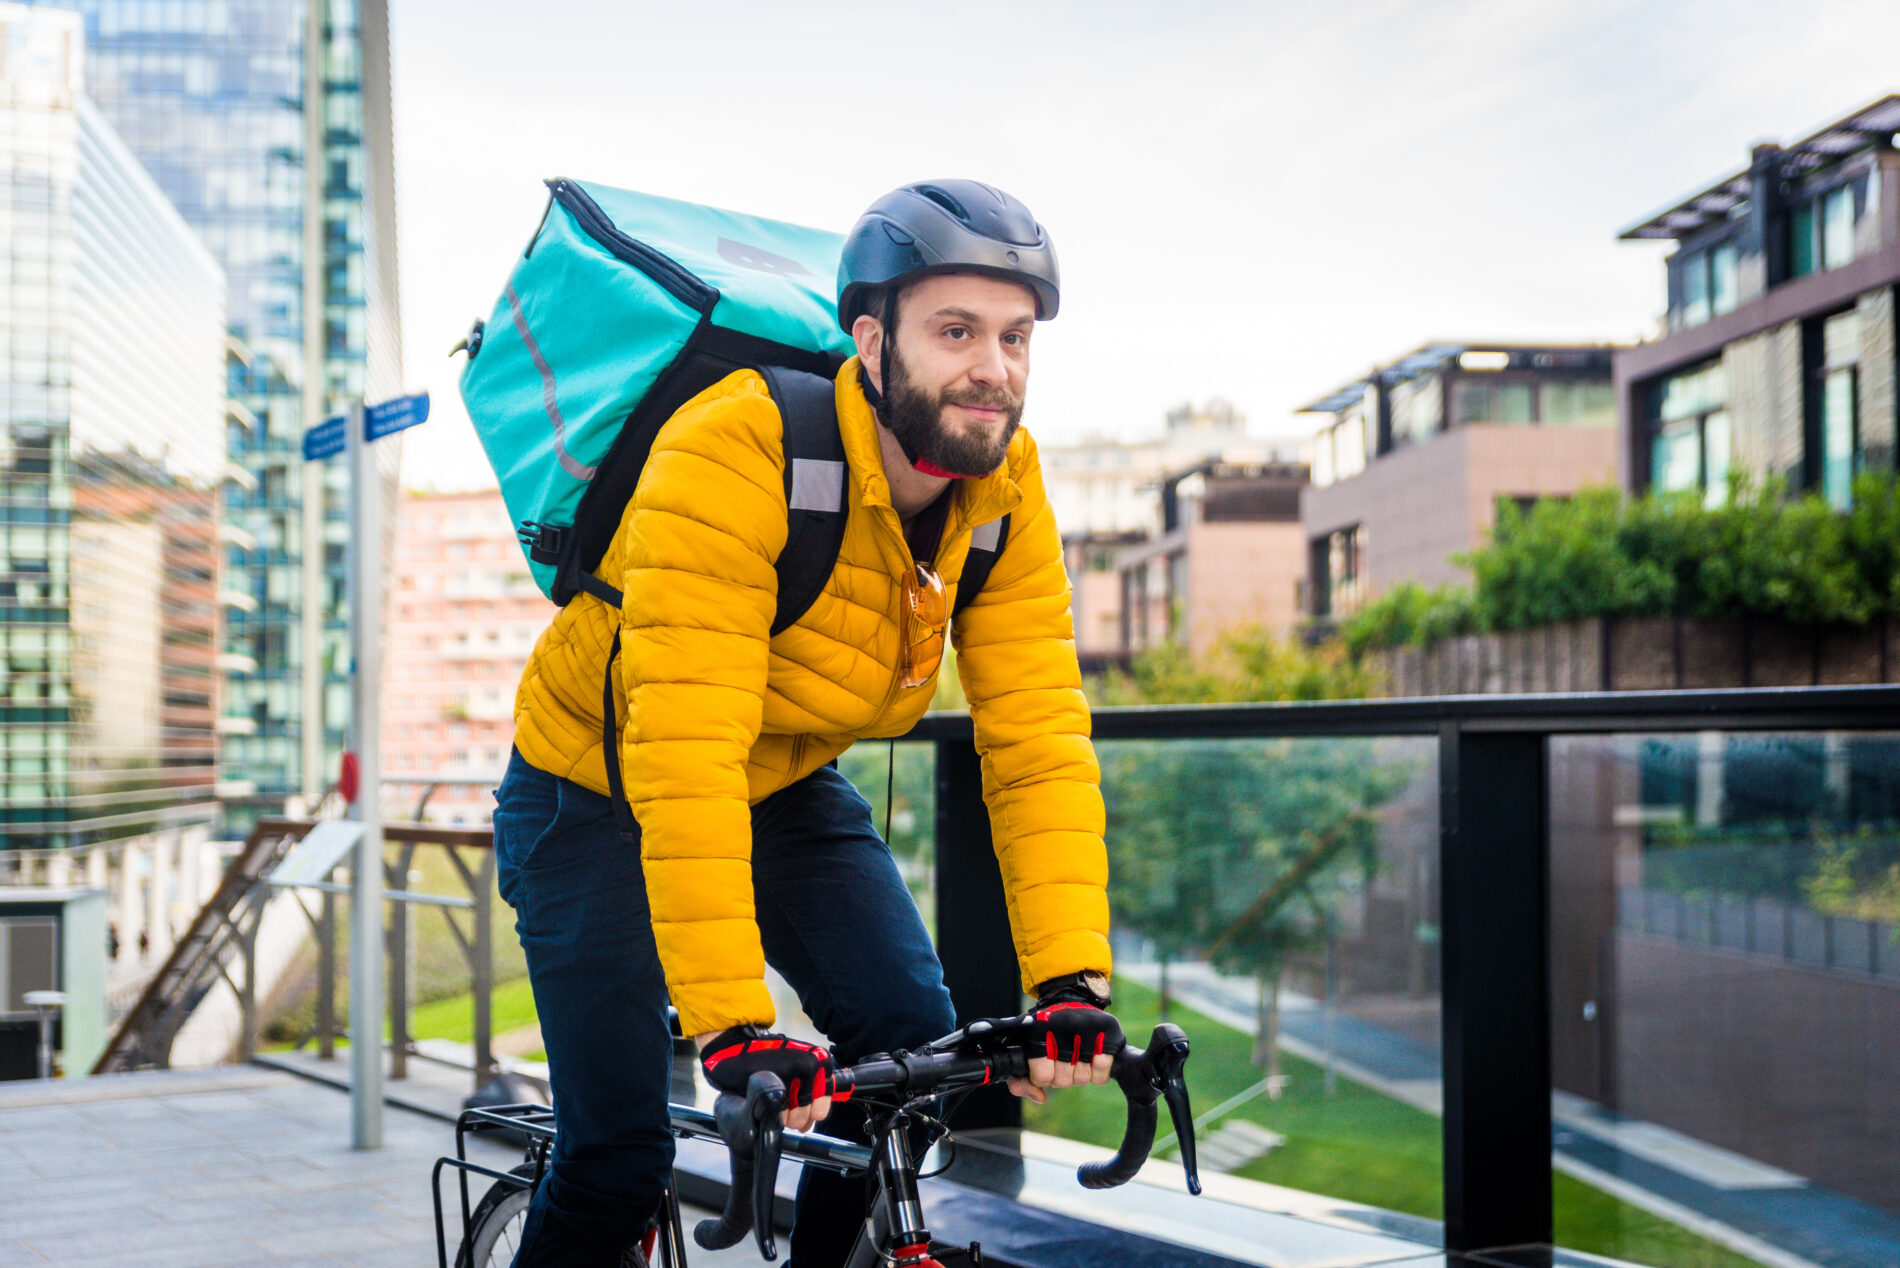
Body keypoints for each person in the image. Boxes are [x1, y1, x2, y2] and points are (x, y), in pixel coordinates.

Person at [493, 179, 1120, 1267]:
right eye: (957, 331)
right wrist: (734, 1020)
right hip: (591, 789)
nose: (995, 369)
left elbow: (1036, 740)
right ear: (871, 342)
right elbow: (682, 750)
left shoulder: (1005, 488)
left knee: (911, 1055)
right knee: (618, 1153)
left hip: (781, 778)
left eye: (1016, 336)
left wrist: (1072, 980)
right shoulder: (735, 444)